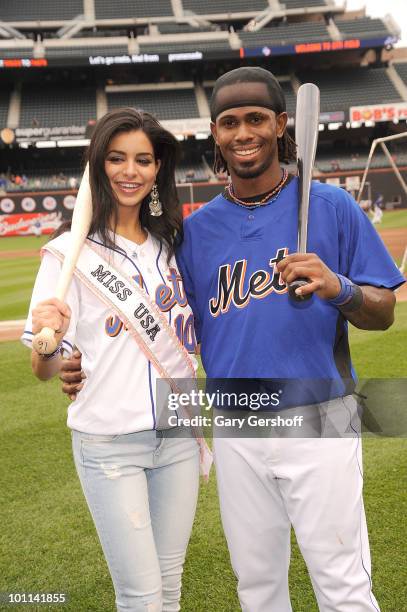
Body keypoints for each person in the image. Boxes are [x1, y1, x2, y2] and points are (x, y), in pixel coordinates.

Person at [61, 68, 405, 611]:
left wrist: (337, 287)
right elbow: (164, 323)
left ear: (281, 125)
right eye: (229, 122)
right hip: (238, 423)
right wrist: (79, 360)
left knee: (342, 584)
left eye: (256, 119)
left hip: (321, 416)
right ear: (215, 135)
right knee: (257, 587)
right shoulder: (195, 231)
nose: (243, 133)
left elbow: (382, 311)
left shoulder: (332, 207)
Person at [22, 108, 201, 612]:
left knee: (170, 585)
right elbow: (44, 365)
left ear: (157, 169)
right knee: (141, 597)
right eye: (117, 158)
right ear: (98, 166)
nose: (131, 171)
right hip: (110, 443)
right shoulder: (68, 256)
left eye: (144, 160)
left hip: (177, 437)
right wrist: (50, 338)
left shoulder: (172, 247)